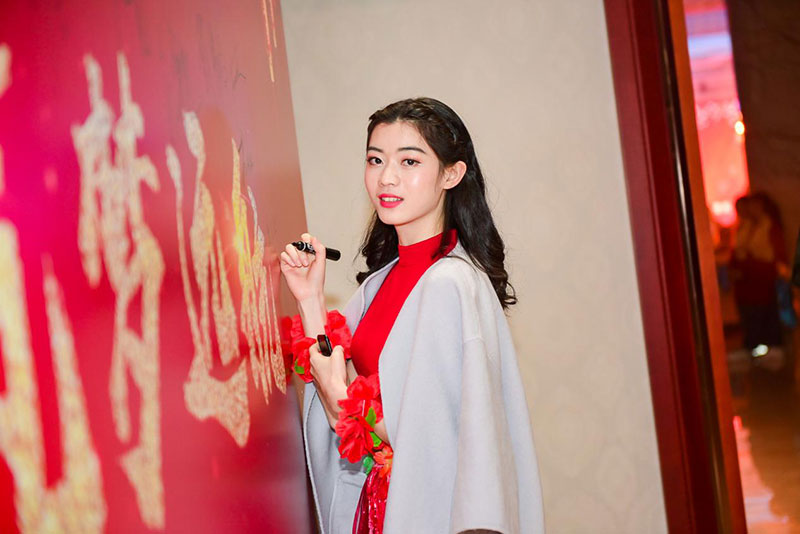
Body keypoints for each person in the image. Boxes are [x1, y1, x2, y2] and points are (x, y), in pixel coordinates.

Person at [279, 97, 544, 534]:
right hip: (378, 507)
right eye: (375, 159)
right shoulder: (380, 283)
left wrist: (336, 392)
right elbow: (348, 390)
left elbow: (429, 442)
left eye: (409, 161)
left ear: (451, 174)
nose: (386, 177)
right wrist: (309, 298)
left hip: (421, 513)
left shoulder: (449, 283)